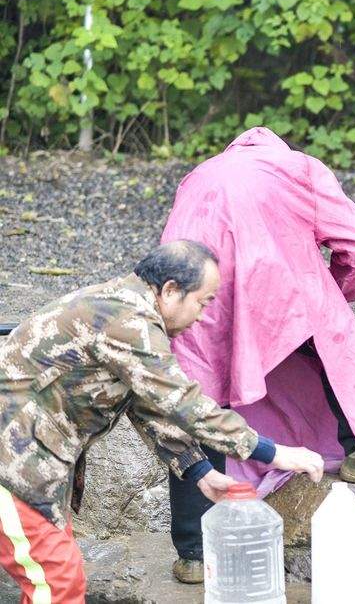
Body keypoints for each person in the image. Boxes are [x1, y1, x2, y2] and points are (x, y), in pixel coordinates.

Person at [161, 127, 355, 583]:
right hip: (274, 287)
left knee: (195, 401)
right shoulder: (298, 168)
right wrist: (339, 292)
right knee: (329, 345)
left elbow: (170, 247)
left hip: (197, 294)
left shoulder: (199, 175)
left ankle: (194, 553)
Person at [0, 242, 325, 603]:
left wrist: (199, 470)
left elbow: (148, 404)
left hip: (32, 461)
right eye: (202, 302)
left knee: (55, 576)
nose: (202, 315)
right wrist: (271, 452)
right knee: (58, 582)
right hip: (13, 463)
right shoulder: (127, 321)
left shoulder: (126, 310)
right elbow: (183, 402)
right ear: (170, 290)